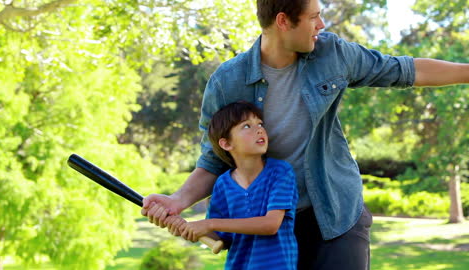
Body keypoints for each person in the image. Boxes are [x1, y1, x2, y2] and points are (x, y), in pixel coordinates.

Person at [141, 0, 469, 269]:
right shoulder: (228, 81)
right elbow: (215, 158)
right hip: (270, 224)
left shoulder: (333, 54)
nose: (322, 25)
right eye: (313, 17)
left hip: (335, 212)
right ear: (283, 21)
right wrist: (178, 200)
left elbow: (406, 70)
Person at [164, 101, 298, 269]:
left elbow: (270, 225)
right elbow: (221, 238)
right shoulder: (223, 184)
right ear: (226, 143)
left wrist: (209, 224)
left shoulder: (280, 172)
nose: (259, 129)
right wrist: (191, 230)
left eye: (260, 123)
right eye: (247, 126)